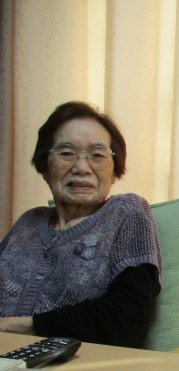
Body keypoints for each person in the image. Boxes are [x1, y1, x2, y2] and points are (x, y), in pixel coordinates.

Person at [0, 101, 161, 348]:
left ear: (115, 171)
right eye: (66, 153)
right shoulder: (29, 222)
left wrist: (24, 326)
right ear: (45, 167)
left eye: (97, 155)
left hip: (71, 365)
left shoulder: (127, 213)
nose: (82, 168)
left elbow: (129, 318)